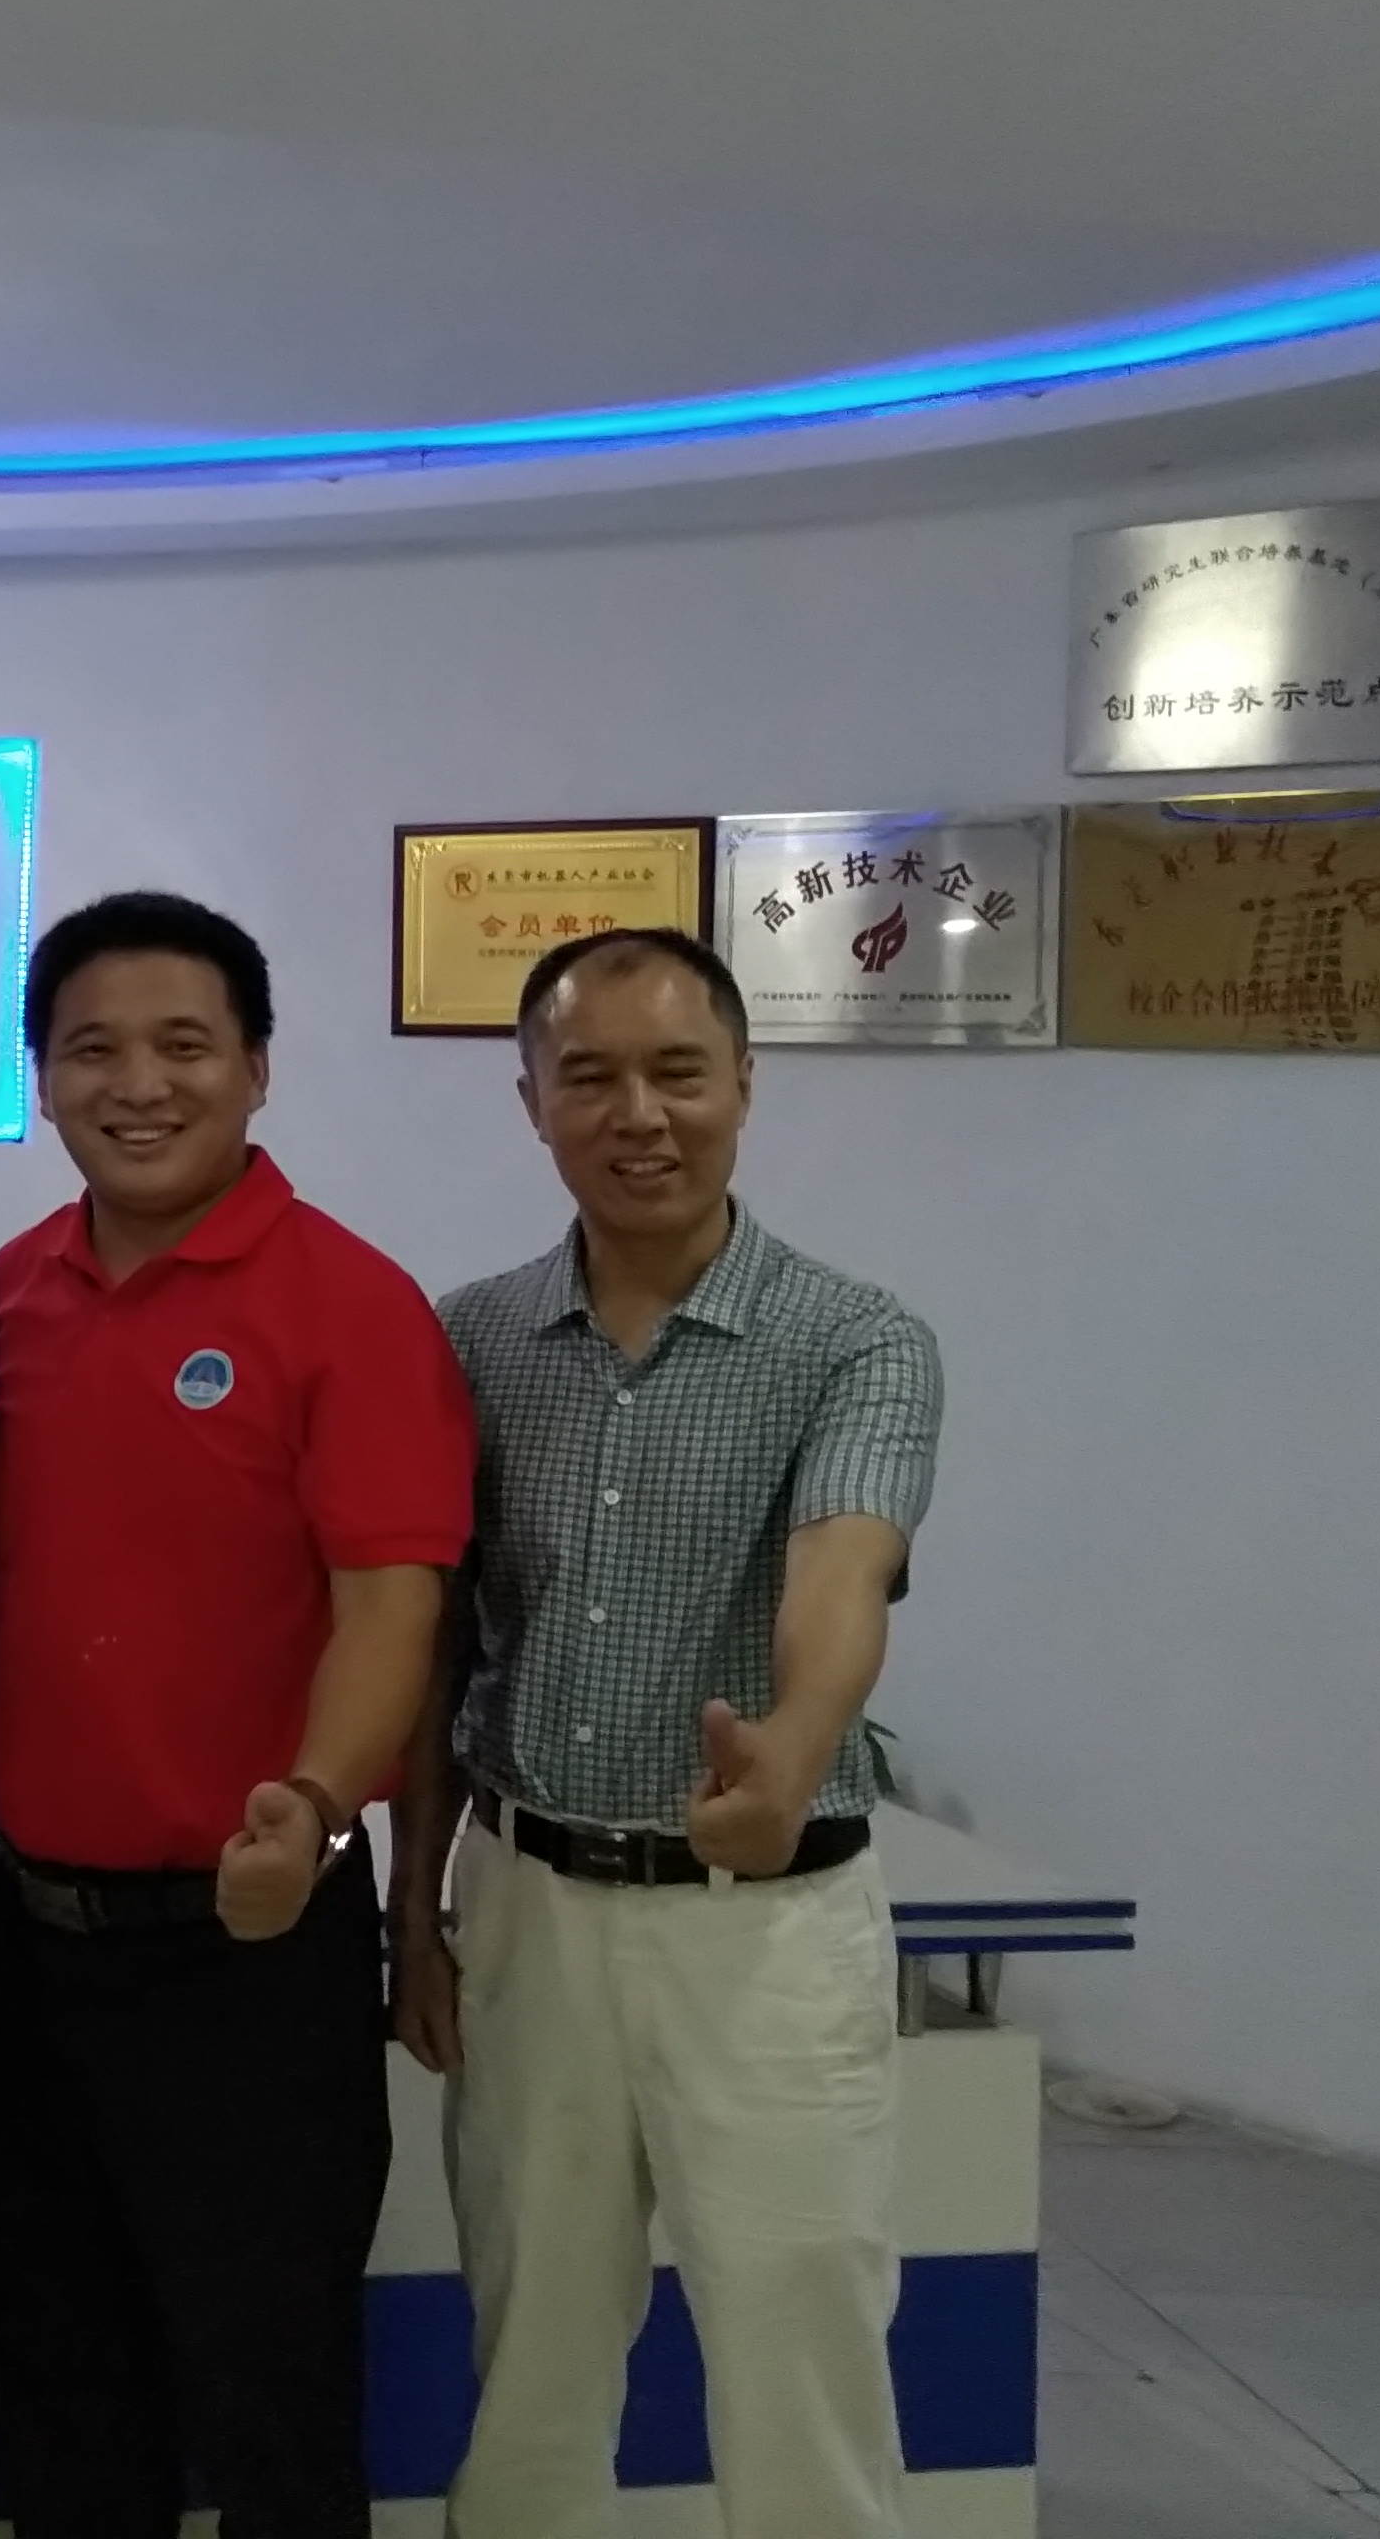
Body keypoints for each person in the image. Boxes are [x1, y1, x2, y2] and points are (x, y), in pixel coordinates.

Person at [392, 927, 943, 2539]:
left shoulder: (856, 1341)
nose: (640, 1115)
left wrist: (794, 1743)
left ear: (744, 1085)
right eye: (592, 1078)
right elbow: (437, 1652)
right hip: (527, 1912)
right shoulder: (469, 1340)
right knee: (531, 2352)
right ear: (532, 1104)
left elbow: (845, 1563)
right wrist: (413, 1913)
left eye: (679, 1073)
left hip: (765, 1927)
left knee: (798, 2353)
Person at [0, 891, 472, 2539]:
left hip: (252, 1948)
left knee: (271, 2405)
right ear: (43, 1076)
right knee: (60, 2390)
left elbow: (394, 1607)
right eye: (92, 1050)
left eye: (184, 1046)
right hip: (36, 1938)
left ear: (256, 1068)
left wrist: (312, 1804)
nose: (139, 1086)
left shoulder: (351, 1305)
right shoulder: (12, 1292)